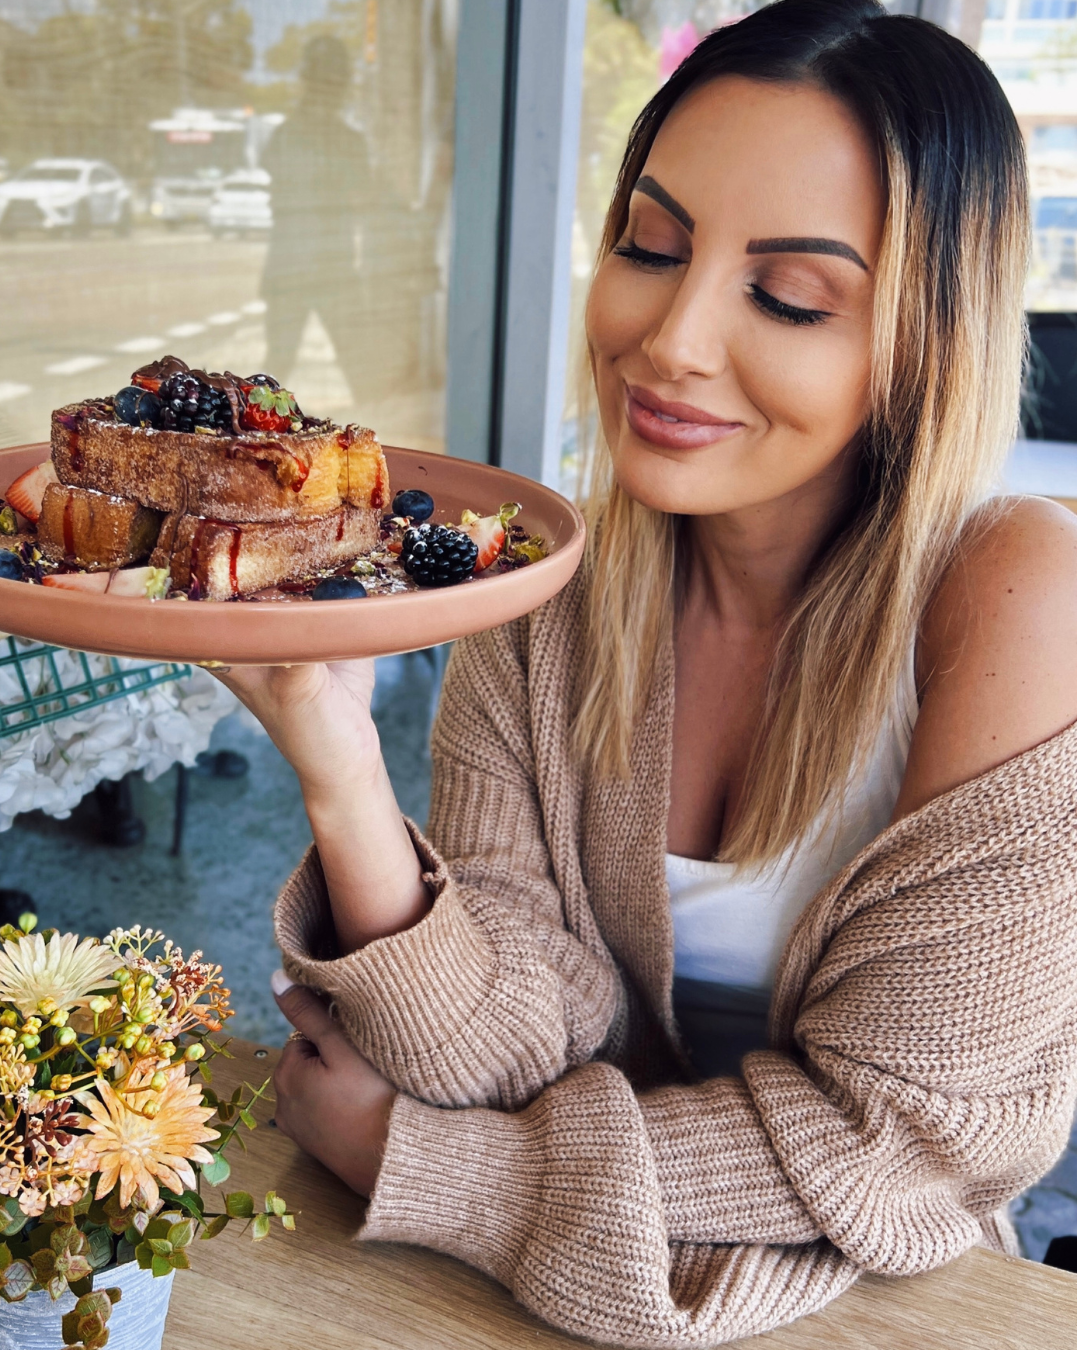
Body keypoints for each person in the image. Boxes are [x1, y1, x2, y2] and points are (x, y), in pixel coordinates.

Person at [220, 2, 1077, 1343]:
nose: (670, 339)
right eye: (650, 245)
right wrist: (337, 761)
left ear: (924, 337)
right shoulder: (543, 589)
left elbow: (897, 1146)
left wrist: (430, 1165)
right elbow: (506, 1040)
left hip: (880, 1304)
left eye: (789, 295)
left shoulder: (1017, 591)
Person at [260, 36, 373, 397]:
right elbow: (363, 200)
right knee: (357, 364)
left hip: (298, 265)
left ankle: (255, 446)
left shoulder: (285, 136)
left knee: (275, 372)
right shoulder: (346, 141)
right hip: (327, 267)